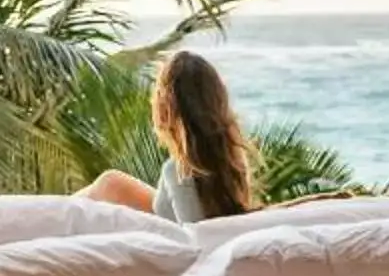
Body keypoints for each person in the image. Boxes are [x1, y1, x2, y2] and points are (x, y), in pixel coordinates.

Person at [79, 49, 256, 224]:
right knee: (110, 182)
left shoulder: (178, 171)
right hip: (163, 216)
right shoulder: (231, 158)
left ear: (167, 108)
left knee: (106, 187)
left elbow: (194, 235)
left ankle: (54, 214)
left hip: (162, 234)